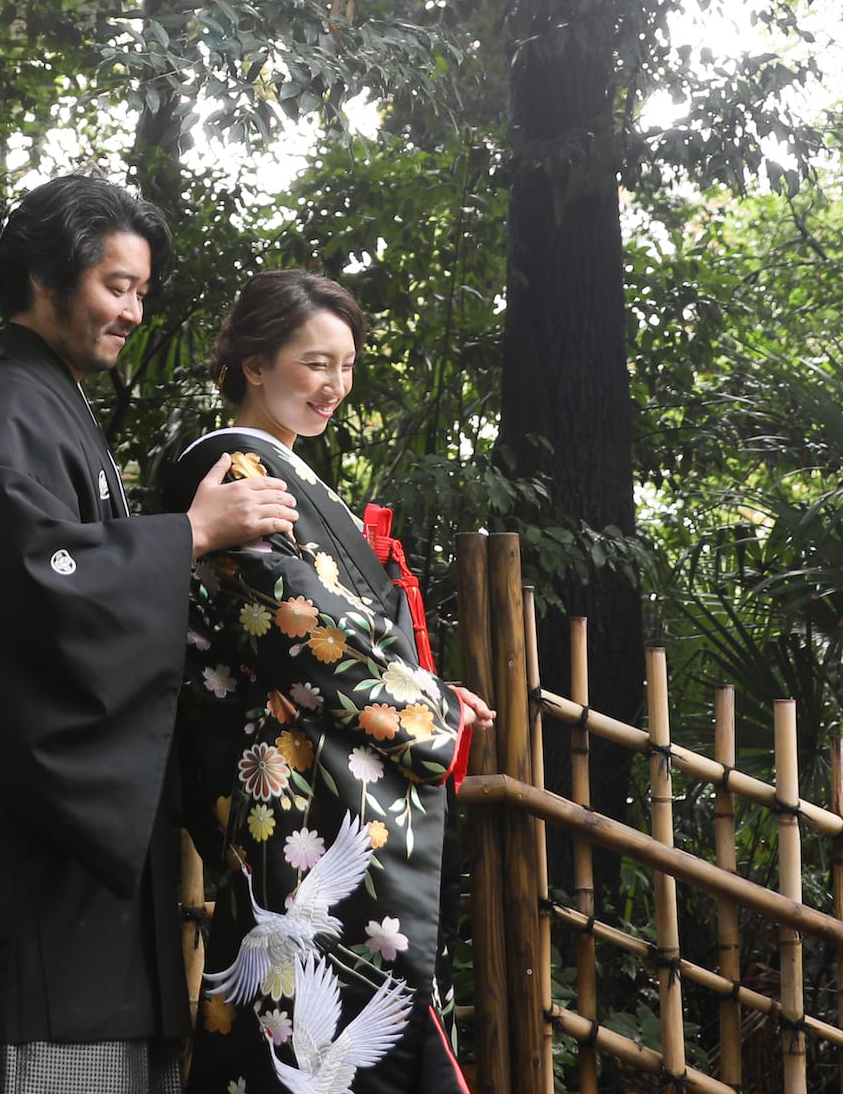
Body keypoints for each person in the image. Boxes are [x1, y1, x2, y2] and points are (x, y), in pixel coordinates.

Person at [0, 174, 304, 1094]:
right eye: (115, 286)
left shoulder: (49, 404)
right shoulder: (10, 407)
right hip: (24, 873)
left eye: (141, 292)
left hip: (67, 876)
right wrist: (188, 535)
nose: (132, 312)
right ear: (45, 279)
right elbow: (39, 583)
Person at [154, 271, 494, 1094]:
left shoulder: (278, 470)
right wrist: (431, 709)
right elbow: (303, 628)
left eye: (346, 366)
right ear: (253, 365)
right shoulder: (233, 468)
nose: (335, 385)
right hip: (296, 787)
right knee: (307, 1014)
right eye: (315, 363)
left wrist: (427, 691)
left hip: (316, 775)